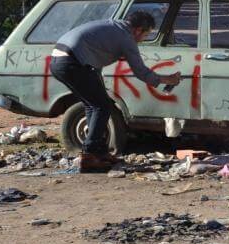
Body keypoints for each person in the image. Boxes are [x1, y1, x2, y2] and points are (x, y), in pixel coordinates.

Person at [50, 11, 180, 172]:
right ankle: (89, 156)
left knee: (93, 105)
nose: (143, 39)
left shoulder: (115, 27)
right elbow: (140, 72)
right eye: (146, 35)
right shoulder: (126, 38)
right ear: (138, 30)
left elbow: (93, 55)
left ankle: (99, 152)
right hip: (71, 63)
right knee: (102, 106)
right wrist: (166, 79)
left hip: (60, 61)